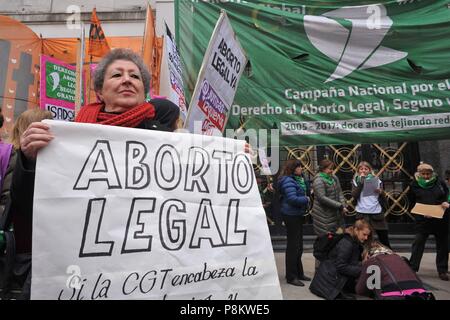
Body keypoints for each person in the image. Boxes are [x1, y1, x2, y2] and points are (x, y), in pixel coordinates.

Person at [10, 48, 181, 299]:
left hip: (144, 273)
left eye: (135, 76)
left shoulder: (168, 141)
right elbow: (25, 205)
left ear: (144, 91)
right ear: (100, 91)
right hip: (77, 272)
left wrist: (228, 159)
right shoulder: (64, 137)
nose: (127, 80)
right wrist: (29, 161)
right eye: (117, 75)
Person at [309, 219, 372, 300]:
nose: (366, 238)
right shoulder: (347, 243)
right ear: (356, 230)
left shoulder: (353, 240)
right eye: (364, 234)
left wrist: (363, 264)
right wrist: (362, 270)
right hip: (329, 284)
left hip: (332, 277)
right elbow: (341, 266)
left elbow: (351, 262)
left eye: (367, 235)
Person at [408, 162, 449, 281]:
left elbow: (446, 194)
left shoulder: (439, 182)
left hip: (440, 218)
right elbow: (411, 202)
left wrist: (446, 203)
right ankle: (413, 268)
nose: (426, 176)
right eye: (423, 174)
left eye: (428, 174)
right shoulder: (414, 184)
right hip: (423, 219)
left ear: (432, 173)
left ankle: (442, 270)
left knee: (442, 245)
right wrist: (419, 212)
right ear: (419, 174)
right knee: (418, 242)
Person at [356, 241, 433, 300]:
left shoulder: (372, 260)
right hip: (420, 294)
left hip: (394, 295)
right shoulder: (399, 258)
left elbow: (361, 290)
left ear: (367, 254)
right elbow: (418, 281)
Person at [278, 160, 311, 286]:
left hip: (297, 214)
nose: (301, 168)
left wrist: (305, 180)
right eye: (299, 167)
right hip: (291, 215)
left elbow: (305, 190)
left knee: (299, 245)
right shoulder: (288, 181)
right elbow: (292, 199)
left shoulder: (298, 179)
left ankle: (299, 272)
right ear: (293, 168)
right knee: (293, 246)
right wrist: (306, 199)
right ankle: (291, 276)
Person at [352, 161, 390, 248]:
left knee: (383, 238)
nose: (363, 171)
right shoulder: (355, 181)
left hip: (376, 212)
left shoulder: (376, 180)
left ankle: (388, 256)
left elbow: (383, 196)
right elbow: (354, 195)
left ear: (369, 170)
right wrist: (361, 183)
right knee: (363, 239)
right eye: (361, 169)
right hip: (362, 212)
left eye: (366, 169)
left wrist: (381, 192)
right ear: (358, 171)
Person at [311, 159, 347, 236]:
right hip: (324, 215)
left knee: (338, 236)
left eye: (332, 168)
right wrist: (339, 206)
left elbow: (339, 192)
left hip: (335, 214)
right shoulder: (318, 180)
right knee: (326, 239)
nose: (332, 171)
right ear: (323, 169)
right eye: (330, 169)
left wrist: (343, 205)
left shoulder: (334, 178)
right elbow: (322, 198)